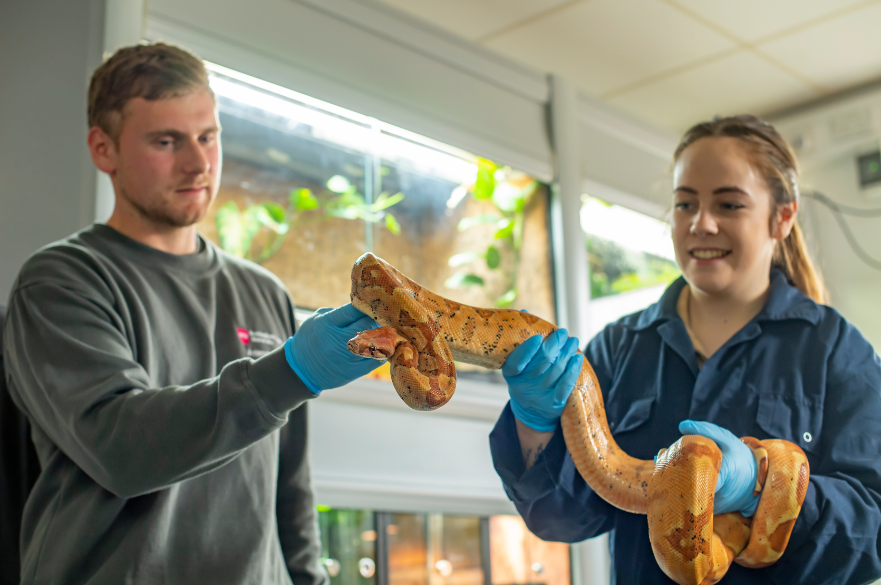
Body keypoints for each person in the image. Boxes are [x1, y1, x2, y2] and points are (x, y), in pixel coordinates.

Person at [2, 42, 380, 585]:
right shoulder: (62, 281)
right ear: (103, 149)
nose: (199, 163)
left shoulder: (262, 290)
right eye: (166, 141)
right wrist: (290, 372)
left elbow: (289, 485)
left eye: (208, 137)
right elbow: (120, 449)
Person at [490, 115, 881, 584]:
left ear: (782, 217)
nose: (701, 223)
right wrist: (534, 427)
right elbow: (562, 517)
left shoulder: (835, 350)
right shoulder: (618, 349)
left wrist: (761, 487)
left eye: (729, 204)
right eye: (684, 204)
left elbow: (871, 533)